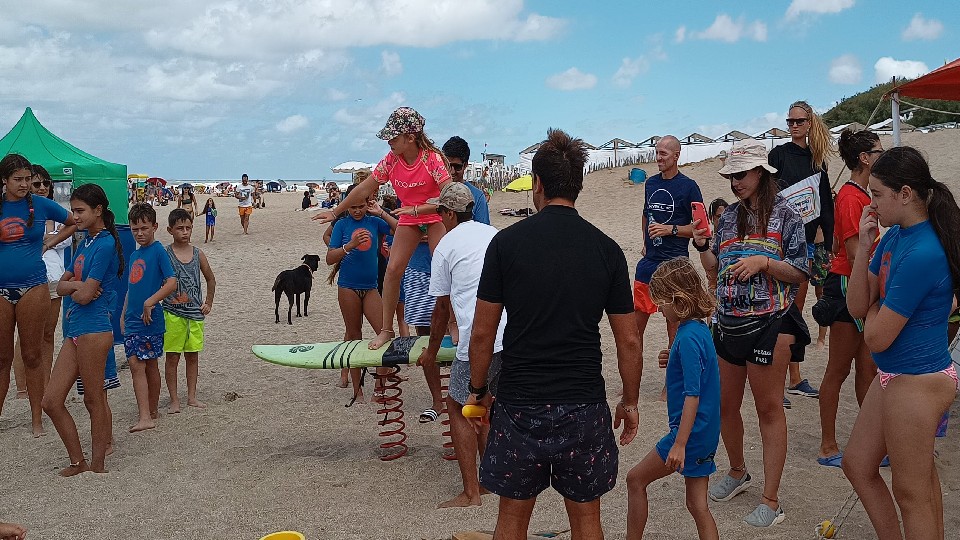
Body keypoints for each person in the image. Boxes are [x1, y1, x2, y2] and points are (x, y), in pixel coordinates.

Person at [465, 128, 642, 539]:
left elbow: (481, 334)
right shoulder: (606, 249)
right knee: (586, 521)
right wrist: (629, 401)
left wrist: (478, 392)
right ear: (577, 185)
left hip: (520, 402)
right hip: (582, 402)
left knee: (510, 520)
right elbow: (629, 340)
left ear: (538, 184)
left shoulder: (507, 245)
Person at [842, 146, 960, 540]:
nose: (870, 203)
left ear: (904, 194)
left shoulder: (924, 250)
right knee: (859, 464)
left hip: (919, 380)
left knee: (912, 494)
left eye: (876, 194)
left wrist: (871, 311)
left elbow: (875, 334)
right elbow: (857, 303)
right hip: (895, 374)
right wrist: (863, 244)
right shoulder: (893, 238)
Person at [692, 139, 808, 527]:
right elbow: (714, 268)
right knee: (726, 405)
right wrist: (703, 244)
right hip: (727, 323)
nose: (734, 182)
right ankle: (738, 471)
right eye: (730, 176)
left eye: (740, 175)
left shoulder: (788, 217)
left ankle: (772, 500)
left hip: (770, 324)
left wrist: (764, 263)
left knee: (768, 408)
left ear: (761, 173)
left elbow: (800, 272)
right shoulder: (728, 219)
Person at [313, 107, 451, 351]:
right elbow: (363, 189)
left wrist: (418, 210)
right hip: (408, 217)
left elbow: (450, 196)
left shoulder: (431, 159)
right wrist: (335, 212)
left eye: (394, 137)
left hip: (433, 216)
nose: (389, 142)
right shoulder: (391, 160)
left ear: (411, 137)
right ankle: (387, 330)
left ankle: (453, 323)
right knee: (393, 271)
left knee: (443, 266)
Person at [417, 182, 506, 508]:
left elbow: (441, 308)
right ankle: (488, 482)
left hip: (477, 340)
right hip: (507, 336)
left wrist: (430, 351)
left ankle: (471, 493)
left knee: (458, 408)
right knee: (483, 405)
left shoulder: (446, 245)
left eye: (440, 210)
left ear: (448, 213)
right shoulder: (494, 234)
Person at [626, 257, 720, 540]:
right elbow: (699, 370)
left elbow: (693, 393)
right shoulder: (697, 330)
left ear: (678, 301)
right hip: (704, 432)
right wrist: (674, 357)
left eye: (662, 303)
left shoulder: (688, 337)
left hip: (689, 434)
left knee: (635, 480)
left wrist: (679, 443)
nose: (659, 309)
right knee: (697, 505)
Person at [42, 183, 124, 476]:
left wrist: (75, 287)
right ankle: (79, 460)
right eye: (73, 211)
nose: (74, 216)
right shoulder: (84, 242)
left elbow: (84, 296)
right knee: (51, 401)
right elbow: (63, 286)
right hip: (75, 329)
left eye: (80, 211)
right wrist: (77, 285)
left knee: (93, 397)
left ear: (98, 210)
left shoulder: (104, 245)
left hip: (93, 329)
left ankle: (98, 464)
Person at [813, 129, 881, 467]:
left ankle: (869, 442)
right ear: (865, 158)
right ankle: (827, 446)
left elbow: (841, 244)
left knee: (867, 367)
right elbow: (855, 255)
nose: (884, 156)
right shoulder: (853, 197)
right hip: (847, 286)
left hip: (851, 282)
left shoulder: (860, 195)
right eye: (879, 151)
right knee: (838, 369)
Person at [0, 155, 75, 437]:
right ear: (4, 181)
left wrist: (49, 242)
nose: (24, 185)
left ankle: (36, 419)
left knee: (32, 354)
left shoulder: (41, 204)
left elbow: (72, 222)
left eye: (27, 179)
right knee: (2, 358)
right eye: (17, 179)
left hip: (34, 285)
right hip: (1, 289)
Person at [768, 100, 835, 403]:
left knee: (794, 309)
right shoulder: (778, 154)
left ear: (809, 123)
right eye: (790, 121)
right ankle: (779, 381)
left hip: (806, 244)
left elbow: (825, 206)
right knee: (783, 309)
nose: (794, 126)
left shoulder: (817, 160)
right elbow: (768, 195)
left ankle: (793, 377)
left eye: (799, 121)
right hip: (780, 243)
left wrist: (830, 241)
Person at [635, 136, 704, 399]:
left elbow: (700, 228)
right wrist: (644, 241)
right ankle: (633, 382)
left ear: (677, 155)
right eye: (657, 153)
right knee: (634, 328)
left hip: (675, 266)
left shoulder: (689, 186)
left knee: (674, 328)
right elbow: (646, 213)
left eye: (664, 153)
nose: (659, 157)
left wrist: (671, 229)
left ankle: (670, 386)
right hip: (648, 265)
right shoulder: (650, 183)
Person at [326, 187, 397, 403]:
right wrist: (350, 246)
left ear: (368, 203)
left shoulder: (374, 221)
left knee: (386, 334)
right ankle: (357, 390)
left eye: (361, 206)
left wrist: (381, 212)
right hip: (348, 287)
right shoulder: (342, 224)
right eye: (353, 207)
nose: (357, 211)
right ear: (347, 206)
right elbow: (330, 258)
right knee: (354, 337)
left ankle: (379, 386)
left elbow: (399, 228)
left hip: (371, 287)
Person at [122, 203, 178, 432]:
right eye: (135, 229)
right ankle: (147, 412)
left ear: (154, 227)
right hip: (133, 319)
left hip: (151, 319)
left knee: (148, 364)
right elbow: (131, 286)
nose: (140, 233)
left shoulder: (158, 251)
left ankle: (148, 412)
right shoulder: (135, 254)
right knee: (137, 363)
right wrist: (124, 313)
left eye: (144, 228)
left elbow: (172, 282)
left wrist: (151, 301)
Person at [163, 209, 216, 413]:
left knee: (192, 356)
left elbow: (210, 278)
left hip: (195, 314)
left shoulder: (197, 254)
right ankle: (174, 399)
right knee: (172, 357)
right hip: (172, 313)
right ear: (170, 230)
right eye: (180, 228)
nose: (184, 232)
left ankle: (192, 396)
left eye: (188, 228)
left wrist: (208, 302)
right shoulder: (165, 254)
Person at [441, 136, 491, 224]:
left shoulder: (478, 197)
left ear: (465, 165)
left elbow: (483, 230)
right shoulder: (434, 192)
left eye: (457, 167)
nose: (452, 171)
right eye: (448, 166)